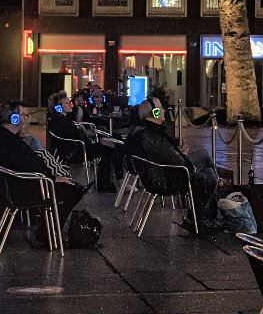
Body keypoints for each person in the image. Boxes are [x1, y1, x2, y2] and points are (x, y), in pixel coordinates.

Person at [0, 104, 84, 236]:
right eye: (24, 115)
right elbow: (30, 165)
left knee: (69, 187)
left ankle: (48, 233)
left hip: (18, 187)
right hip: (25, 190)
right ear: (14, 119)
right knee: (73, 190)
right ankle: (47, 235)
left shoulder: (4, 137)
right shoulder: (9, 141)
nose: (27, 119)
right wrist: (54, 178)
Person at [124, 96, 220, 232]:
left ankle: (208, 215)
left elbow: (165, 155)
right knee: (209, 175)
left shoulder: (141, 130)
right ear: (155, 113)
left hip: (157, 174)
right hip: (167, 179)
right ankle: (199, 219)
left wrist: (179, 152)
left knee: (203, 155)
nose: (164, 110)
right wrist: (183, 155)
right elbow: (180, 164)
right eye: (161, 108)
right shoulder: (151, 135)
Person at [46, 91, 120, 191]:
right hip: (77, 151)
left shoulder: (59, 119)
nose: (71, 105)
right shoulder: (61, 122)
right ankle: (105, 182)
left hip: (76, 149)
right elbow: (74, 136)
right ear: (59, 107)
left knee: (108, 147)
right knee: (108, 149)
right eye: (67, 103)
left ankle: (105, 181)